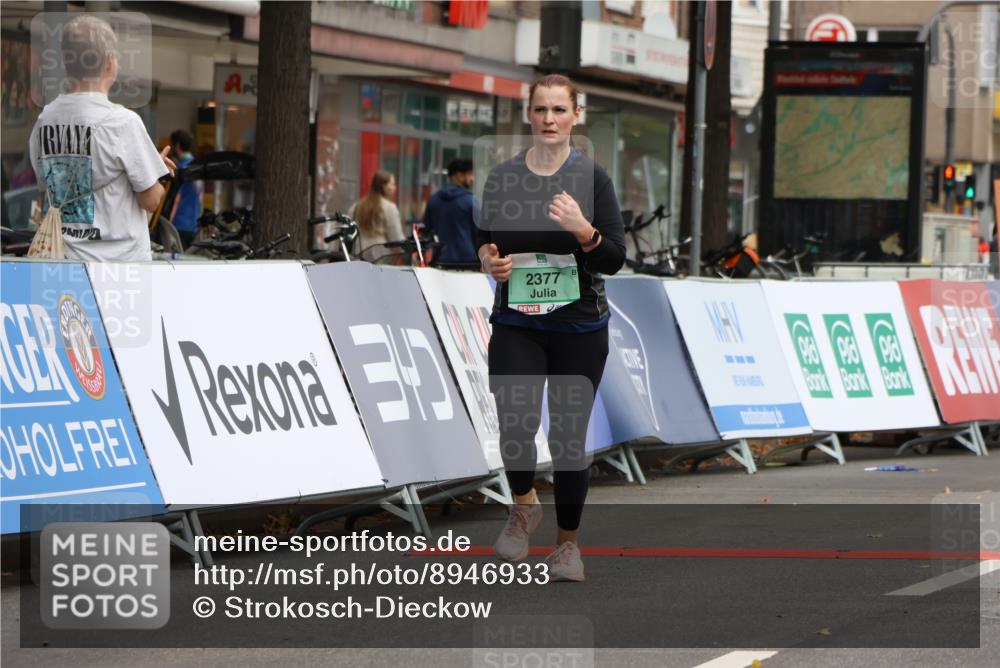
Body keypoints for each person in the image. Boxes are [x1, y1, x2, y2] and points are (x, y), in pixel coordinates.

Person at [477, 74, 626, 581]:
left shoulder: (593, 179)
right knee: (515, 420)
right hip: (518, 320)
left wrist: (584, 231)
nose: (549, 119)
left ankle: (567, 547)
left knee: (567, 438)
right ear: (528, 114)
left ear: (575, 116)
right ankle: (523, 503)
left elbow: (615, 259)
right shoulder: (502, 178)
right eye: (540, 110)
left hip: (579, 327)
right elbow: (483, 239)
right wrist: (488, 262)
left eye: (559, 110)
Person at [28, 14, 174, 262]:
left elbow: (49, 184)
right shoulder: (123, 123)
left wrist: (147, 162)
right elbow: (150, 200)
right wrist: (156, 174)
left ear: (66, 62)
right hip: (120, 268)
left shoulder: (45, 120)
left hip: (64, 260)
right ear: (109, 63)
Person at [423, 157, 478, 264]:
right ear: (459, 175)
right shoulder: (470, 201)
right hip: (468, 262)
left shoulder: (434, 200)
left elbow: (426, 232)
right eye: (470, 174)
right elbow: (481, 233)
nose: (473, 179)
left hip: (440, 260)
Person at [348, 169, 404, 259]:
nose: (395, 188)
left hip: (357, 254)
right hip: (379, 257)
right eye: (392, 184)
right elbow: (396, 238)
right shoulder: (389, 207)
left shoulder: (356, 206)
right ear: (384, 186)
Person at [167, 129, 201, 248]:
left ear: (177, 145)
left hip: (179, 224)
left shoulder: (181, 169)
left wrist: (168, 223)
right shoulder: (197, 166)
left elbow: (176, 199)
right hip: (194, 223)